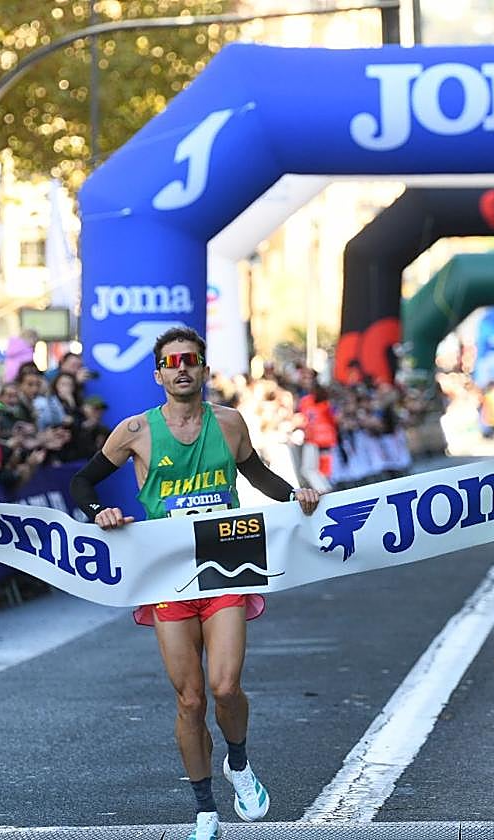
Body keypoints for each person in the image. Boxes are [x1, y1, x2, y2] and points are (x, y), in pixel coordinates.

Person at [69, 327, 323, 840]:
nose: (182, 368)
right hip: (168, 572)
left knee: (225, 687)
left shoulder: (229, 423)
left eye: (191, 360)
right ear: (159, 373)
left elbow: (258, 477)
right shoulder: (136, 430)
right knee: (190, 700)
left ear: (204, 369)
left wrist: (296, 495)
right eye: (172, 361)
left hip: (228, 558)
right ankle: (205, 809)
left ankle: (239, 762)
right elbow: (82, 482)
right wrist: (101, 512)